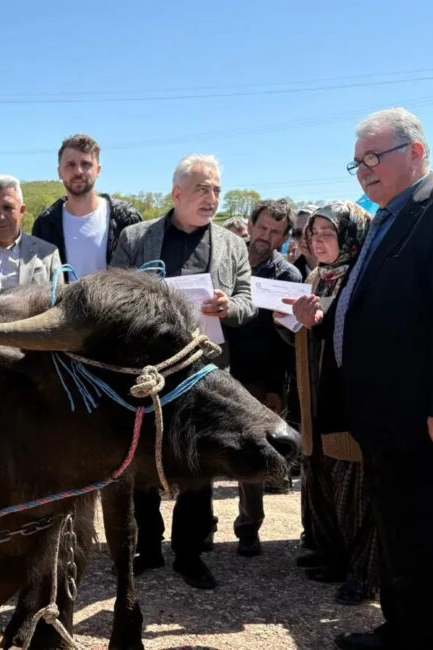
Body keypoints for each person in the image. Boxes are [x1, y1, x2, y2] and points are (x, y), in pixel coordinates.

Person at [323, 108, 433, 650]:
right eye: (358, 162)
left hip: (426, 417)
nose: (365, 169)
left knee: (419, 533)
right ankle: (403, 630)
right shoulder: (386, 216)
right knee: (396, 528)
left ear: (416, 152)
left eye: (375, 156)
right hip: (383, 412)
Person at [110, 153, 255, 590]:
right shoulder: (137, 238)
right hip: (150, 371)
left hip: (204, 374)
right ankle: (147, 547)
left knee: (198, 463)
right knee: (141, 461)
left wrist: (231, 307)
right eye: (202, 189)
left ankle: (189, 553)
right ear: (177, 193)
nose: (211, 197)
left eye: (216, 190)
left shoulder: (232, 244)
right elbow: (114, 291)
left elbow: (248, 299)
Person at [280, 201, 380, 610]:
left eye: (327, 234)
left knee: (353, 490)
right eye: (313, 233)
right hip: (316, 398)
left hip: (349, 403)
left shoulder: (363, 277)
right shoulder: (318, 276)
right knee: (321, 477)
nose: (318, 241)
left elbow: (360, 338)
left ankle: (364, 574)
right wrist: (291, 326)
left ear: (351, 237)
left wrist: (315, 325)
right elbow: (310, 335)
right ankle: (334, 556)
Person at [223, 200, 302, 558]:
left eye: (275, 232)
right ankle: (200, 528)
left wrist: (276, 388)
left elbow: (286, 344)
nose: (265, 237)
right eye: (262, 228)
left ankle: (248, 527)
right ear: (251, 226)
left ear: (284, 237)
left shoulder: (288, 277)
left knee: (252, 454)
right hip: (218, 368)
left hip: (257, 378)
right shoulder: (224, 259)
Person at [33, 134, 142, 277]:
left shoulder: (127, 219)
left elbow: (143, 277)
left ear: (98, 170)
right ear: (59, 172)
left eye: (86, 164)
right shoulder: (45, 226)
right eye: (71, 165)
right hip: (62, 300)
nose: (78, 171)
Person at [286, 204, 318, 279]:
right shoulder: (288, 275)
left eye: (309, 231)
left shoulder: (342, 272)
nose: (304, 237)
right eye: (298, 233)